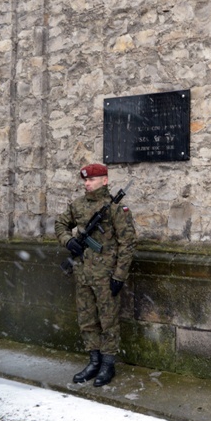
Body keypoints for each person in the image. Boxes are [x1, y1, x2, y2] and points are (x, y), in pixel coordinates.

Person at [55, 163, 136, 387]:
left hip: (105, 276)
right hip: (82, 274)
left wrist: (119, 276)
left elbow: (127, 243)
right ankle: (93, 360)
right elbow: (60, 224)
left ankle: (108, 364)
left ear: (105, 181)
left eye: (92, 179)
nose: (87, 183)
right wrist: (68, 241)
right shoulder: (78, 205)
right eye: (85, 180)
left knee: (108, 321)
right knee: (87, 320)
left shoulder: (116, 209)